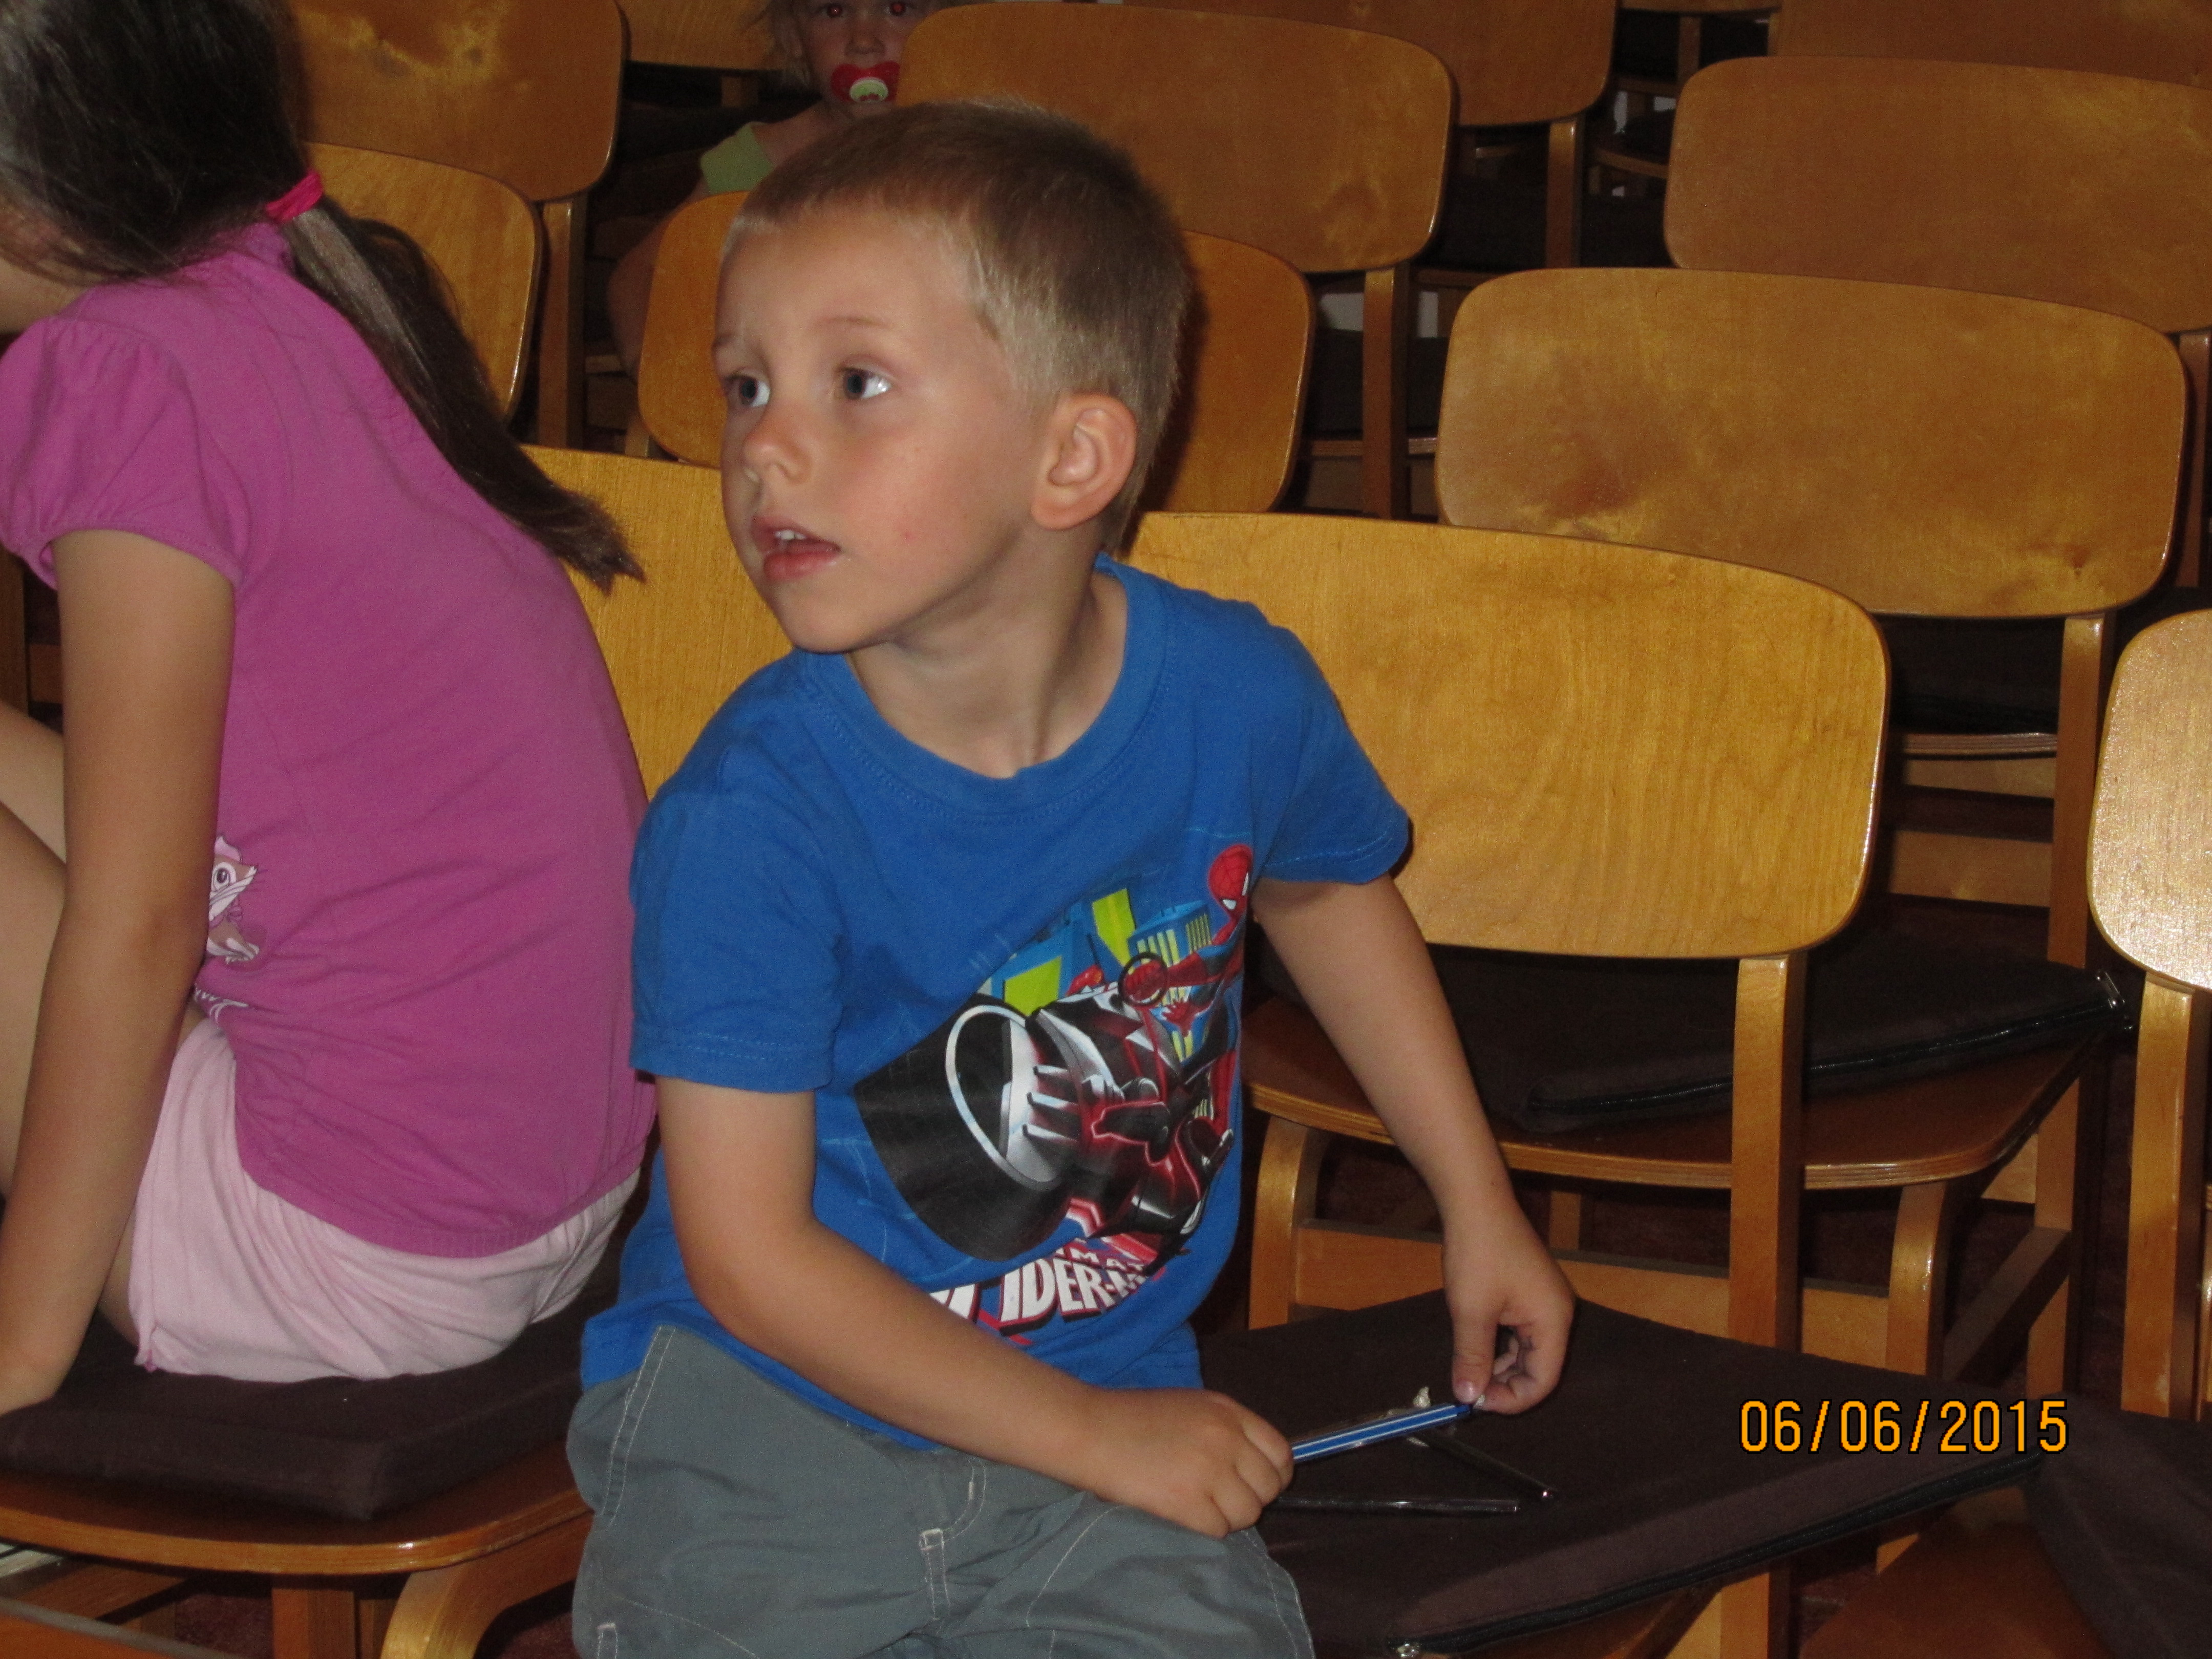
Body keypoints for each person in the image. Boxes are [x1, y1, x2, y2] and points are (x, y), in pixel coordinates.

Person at [570, 99, 1575, 1657]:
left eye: (855, 383)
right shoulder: (749, 815)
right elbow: (752, 1263)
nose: (765, 445)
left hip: (1101, 1407)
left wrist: (1477, 1201)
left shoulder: (1235, 697)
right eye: (746, 384)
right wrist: (1091, 1438)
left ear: (1073, 457)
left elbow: (1323, 893)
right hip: (763, 1429)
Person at [0, 0, 656, 1404]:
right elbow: (158, 848)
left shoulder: (121, 372)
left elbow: (141, 920)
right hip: (533, 1202)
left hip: (340, 1249)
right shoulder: (286, 281)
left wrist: (21, 1344)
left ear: (32, 203)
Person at [606, 0, 971, 375]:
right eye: (833, 12)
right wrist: (658, 376)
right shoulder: (758, 161)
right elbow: (640, 273)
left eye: (897, 9)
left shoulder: (974, 159)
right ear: (794, 35)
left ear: (949, 25)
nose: (864, 41)